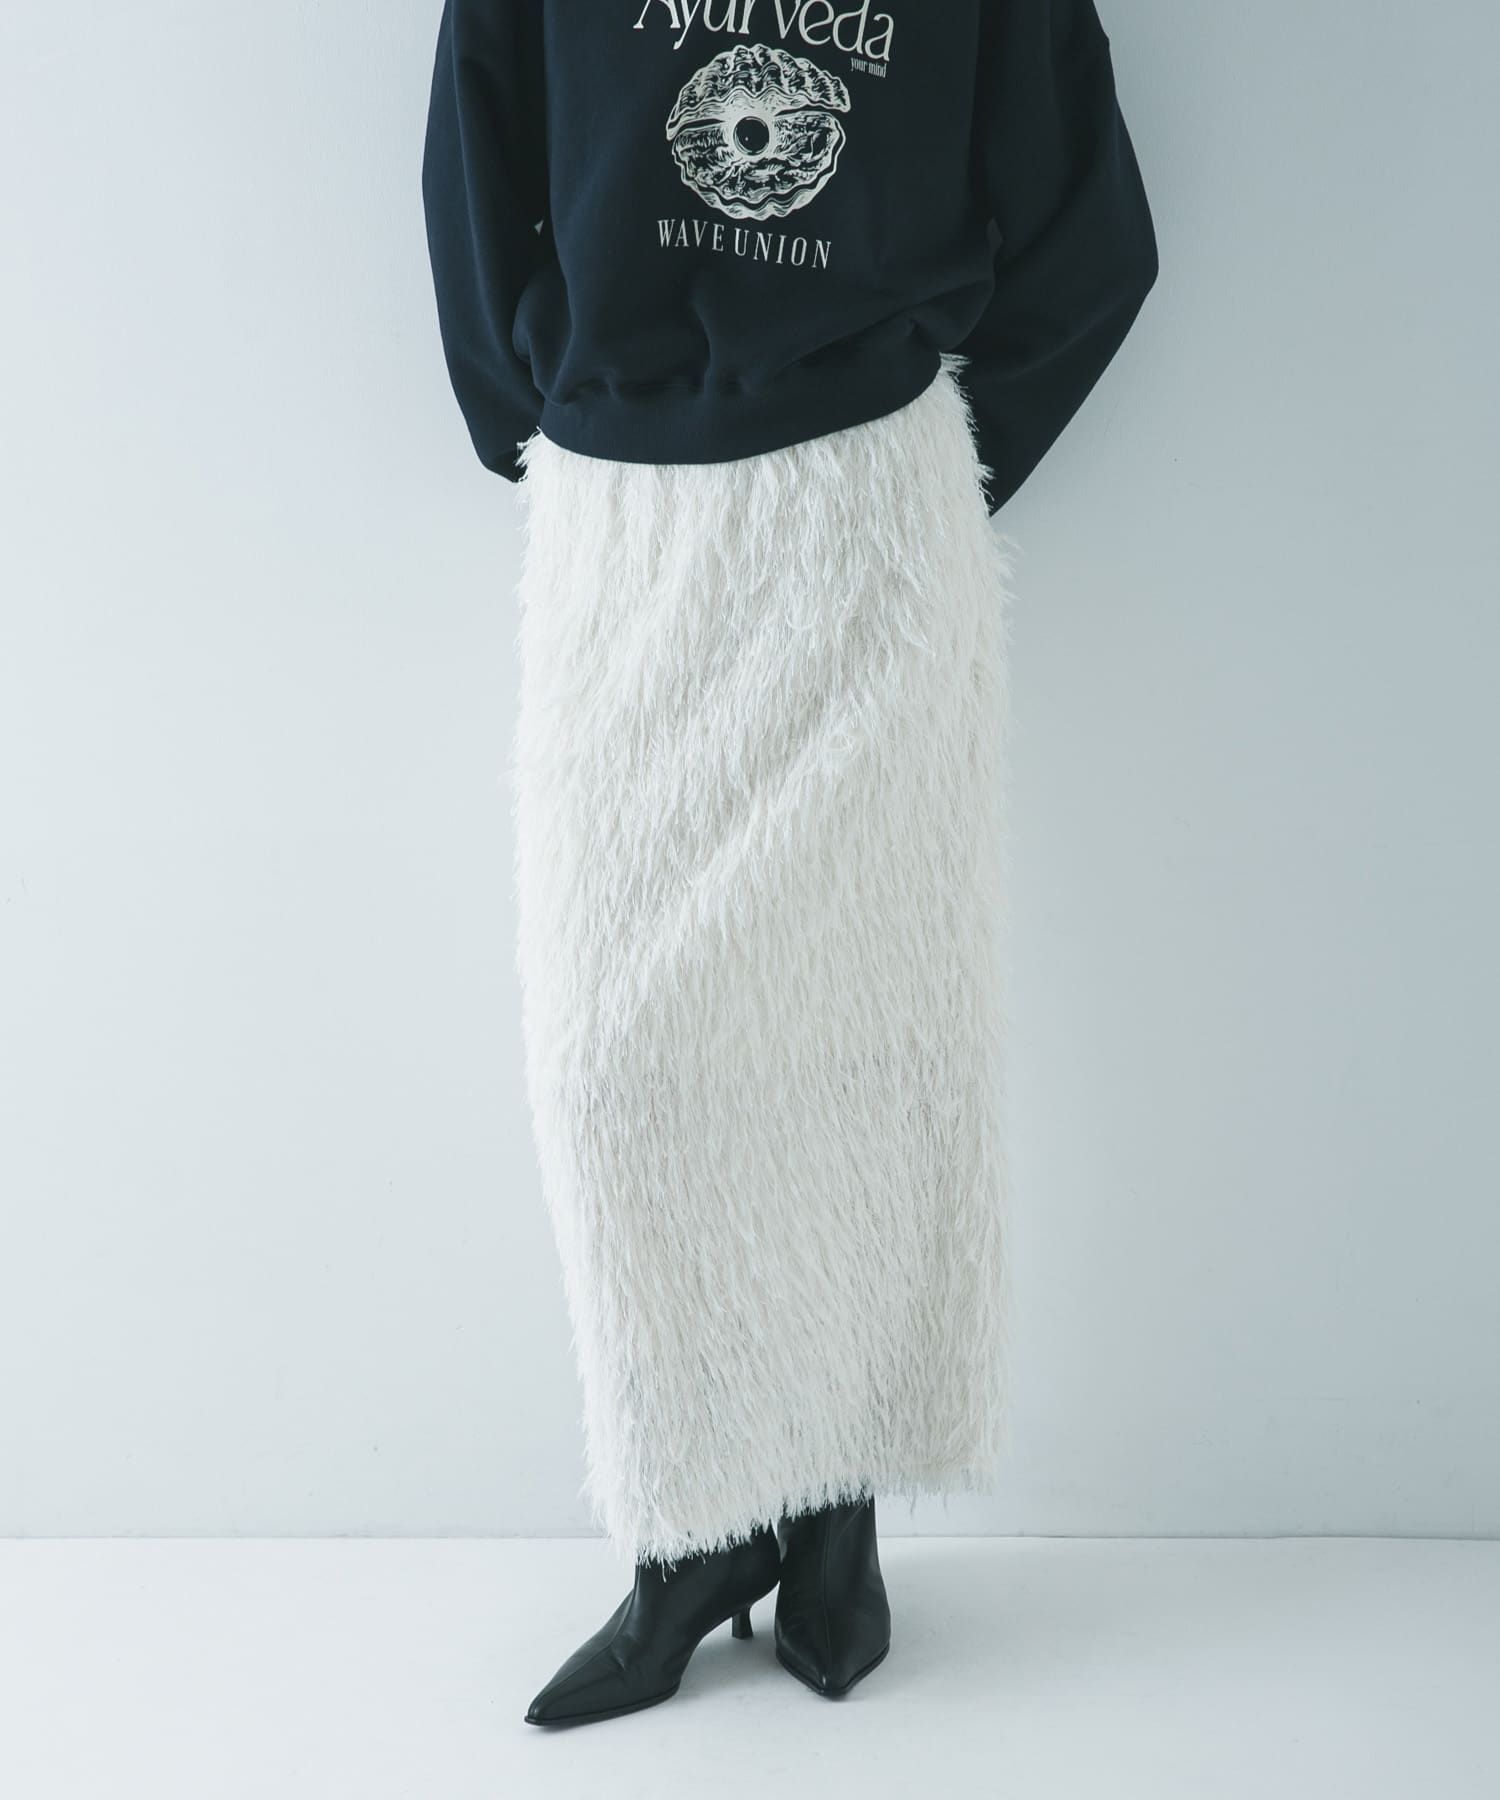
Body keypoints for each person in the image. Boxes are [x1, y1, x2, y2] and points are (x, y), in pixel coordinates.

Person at [422, 0, 1158, 1727]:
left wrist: (931, 461)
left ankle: (835, 1512)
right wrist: (566, 405)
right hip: (628, 521)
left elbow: (1090, 231)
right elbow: (477, 163)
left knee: (875, 1036)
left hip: (868, 515)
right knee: (613, 1058)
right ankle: (694, 1525)